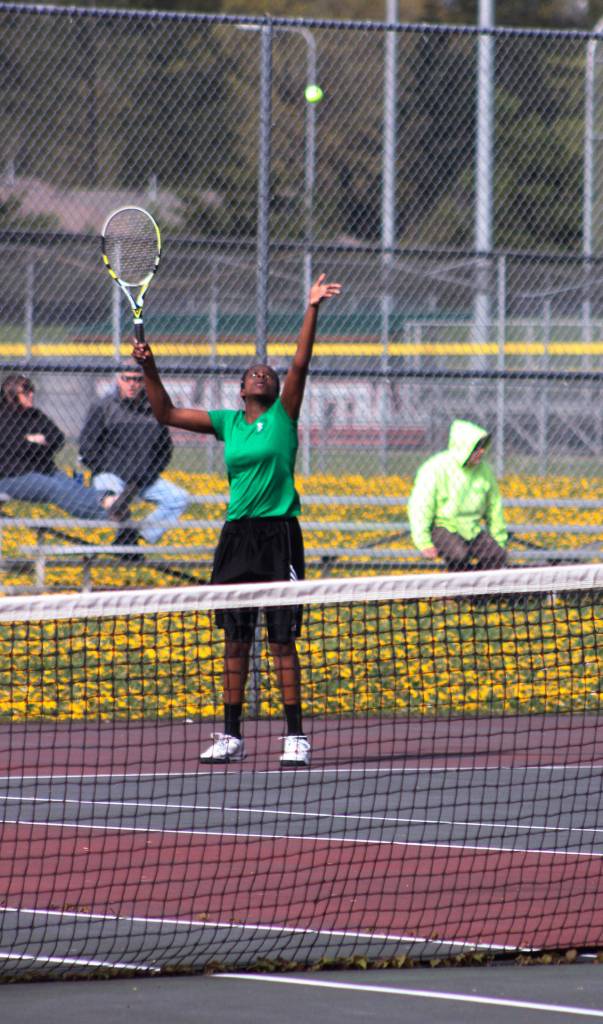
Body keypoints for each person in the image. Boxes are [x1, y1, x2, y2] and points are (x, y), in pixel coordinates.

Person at [132, 273, 342, 767]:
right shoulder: (228, 423)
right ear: (241, 389)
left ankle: (295, 736)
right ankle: (231, 734)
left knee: (282, 640)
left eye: (267, 373)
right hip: (236, 537)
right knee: (235, 640)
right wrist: (150, 367)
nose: (262, 374)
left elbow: (300, 362)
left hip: (279, 536)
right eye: (254, 373)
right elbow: (164, 411)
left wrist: (311, 308)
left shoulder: (285, 415)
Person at [79, 361, 191, 549]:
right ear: (118, 380)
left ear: (144, 382)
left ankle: (137, 537)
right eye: (127, 379)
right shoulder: (103, 407)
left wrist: (148, 473)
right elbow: (87, 447)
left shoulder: (154, 410)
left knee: (178, 498)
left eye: (138, 380)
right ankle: (125, 535)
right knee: (113, 500)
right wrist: (109, 467)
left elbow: (164, 450)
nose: (132, 384)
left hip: (143, 480)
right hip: (111, 475)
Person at [0, 374, 120, 520]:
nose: (31, 394)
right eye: (25, 391)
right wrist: (38, 443)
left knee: (71, 485)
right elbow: (15, 446)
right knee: (54, 488)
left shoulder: (35, 415)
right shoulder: (3, 417)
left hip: (43, 470)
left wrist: (32, 441)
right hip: (13, 477)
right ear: (11, 394)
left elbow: (57, 437)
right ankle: (108, 513)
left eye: (31, 389)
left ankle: (108, 499)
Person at [407, 418, 508, 571]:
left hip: (471, 529)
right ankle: (463, 592)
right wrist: (423, 541)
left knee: (496, 556)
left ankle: (478, 591)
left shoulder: (484, 471)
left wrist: (499, 539)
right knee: (458, 556)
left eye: (483, 447)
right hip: (443, 527)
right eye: (476, 447)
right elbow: (421, 505)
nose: (481, 452)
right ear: (463, 447)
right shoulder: (435, 468)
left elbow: (494, 507)